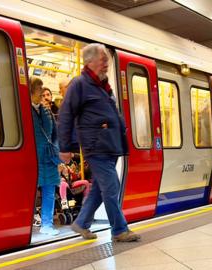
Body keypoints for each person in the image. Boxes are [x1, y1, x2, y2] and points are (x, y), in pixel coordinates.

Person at [58, 43, 140, 242]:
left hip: (109, 146)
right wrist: (65, 147)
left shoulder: (102, 86)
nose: (106, 64)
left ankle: (81, 222)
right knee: (111, 187)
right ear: (90, 61)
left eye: (107, 60)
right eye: (103, 60)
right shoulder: (79, 85)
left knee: (99, 189)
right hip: (96, 147)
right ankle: (119, 230)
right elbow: (66, 115)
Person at [30, 77, 60, 235]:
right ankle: (28, 222)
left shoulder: (47, 111)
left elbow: (55, 135)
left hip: (48, 156)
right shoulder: (23, 110)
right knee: (30, 191)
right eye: (38, 89)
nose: (41, 92)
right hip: (32, 157)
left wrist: (56, 151)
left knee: (49, 191)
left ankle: (47, 224)